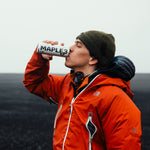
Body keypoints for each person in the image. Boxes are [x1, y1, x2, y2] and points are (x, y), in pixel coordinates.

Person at [23, 30, 142, 150]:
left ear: (93, 59)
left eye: (78, 45)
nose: (70, 48)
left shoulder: (115, 99)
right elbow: (34, 83)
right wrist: (40, 59)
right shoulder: (68, 84)